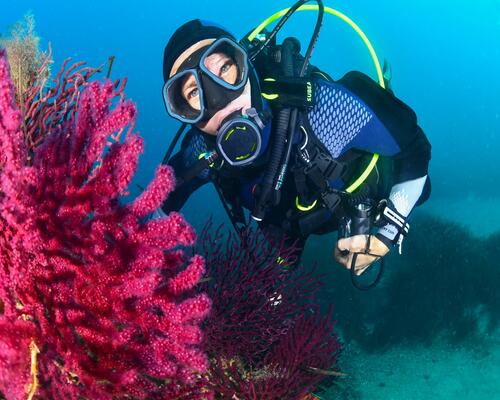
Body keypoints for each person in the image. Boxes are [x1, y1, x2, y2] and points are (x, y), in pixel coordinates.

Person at [159, 18, 431, 282]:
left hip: (355, 197)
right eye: (194, 92)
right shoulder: (201, 155)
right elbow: (157, 202)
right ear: (184, 112)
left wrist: (387, 233)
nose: (219, 100)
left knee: (422, 189)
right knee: (280, 271)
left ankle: (386, 88)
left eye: (225, 68)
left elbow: (414, 147)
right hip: (288, 227)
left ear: (247, 68)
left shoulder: (328, 110)